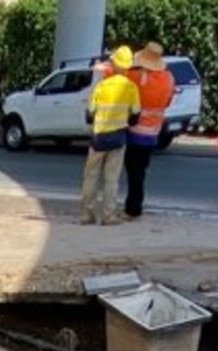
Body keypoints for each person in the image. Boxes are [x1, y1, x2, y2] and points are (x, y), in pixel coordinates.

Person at [80, 45, 141, 225]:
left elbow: (89, 114)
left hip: (99, 137)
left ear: (114, 64)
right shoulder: (131, 88)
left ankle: (86, 214)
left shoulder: (101, 86)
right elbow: (135, 116)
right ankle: (108, 216)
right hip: (118, 137)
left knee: (91, 176)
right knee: (111, 180)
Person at [123, 42, 175, 219]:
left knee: (133, 171)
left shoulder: (136, 76)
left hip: (135, 131)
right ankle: (135, 205)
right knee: (141, 171)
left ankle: (133, 208)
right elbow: (168, 102)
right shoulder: (169, 78)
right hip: (153, 132)